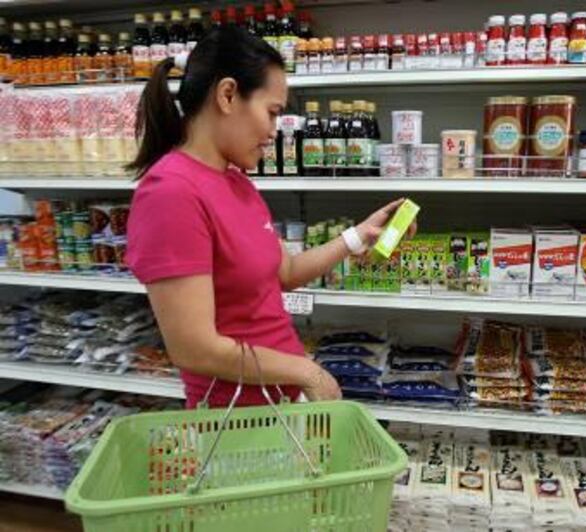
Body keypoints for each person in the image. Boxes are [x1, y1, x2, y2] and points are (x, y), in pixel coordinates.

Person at [126, 25, 414, 408]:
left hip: (278, 403)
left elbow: (286, 272)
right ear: (228, 95)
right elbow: (195, 349)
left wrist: (359, 235)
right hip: (235, 422)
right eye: (272, 113)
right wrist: (305, 371)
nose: (274, 133)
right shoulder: (171, 192)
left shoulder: (236, 182)